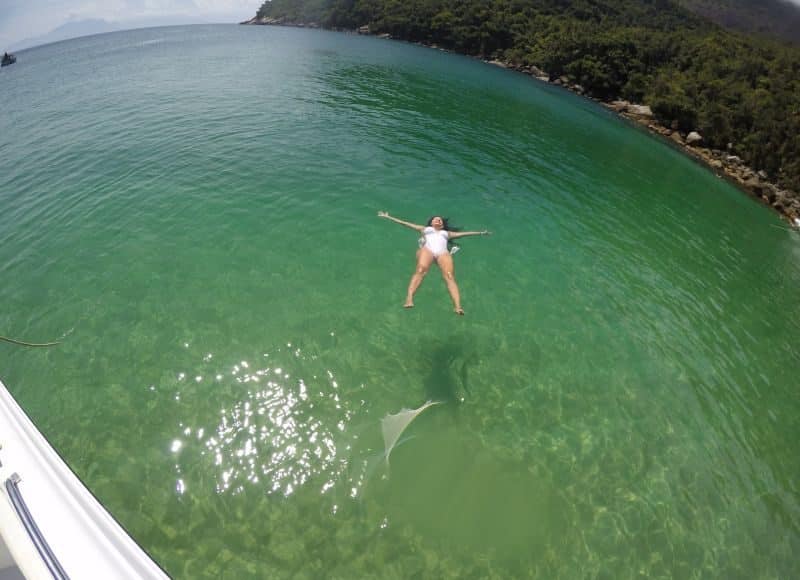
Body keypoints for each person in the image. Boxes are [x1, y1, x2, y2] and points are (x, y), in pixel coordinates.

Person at [378, 211, 491, 315]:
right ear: (431, 223)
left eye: (440, 220)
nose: (438, 220)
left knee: (449, 276)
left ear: (442, 224)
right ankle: (409, 298)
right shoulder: (425, 229)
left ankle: (457, 307)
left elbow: (465, 234)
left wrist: (481, 233)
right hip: (428, 250)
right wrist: (388, 217)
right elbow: (405, 223)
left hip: (443, 253)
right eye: (435, 219)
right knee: (421, 270)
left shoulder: (446, 233)